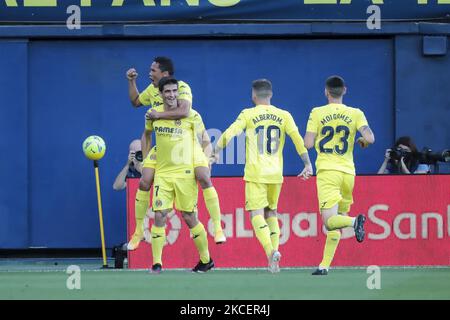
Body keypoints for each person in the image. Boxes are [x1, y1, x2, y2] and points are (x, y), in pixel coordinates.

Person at [212, 79, 313, 273]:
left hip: (256, 173)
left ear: (253, 96)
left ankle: (269, 252)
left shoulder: (248, 114)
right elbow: (297, 140)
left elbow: (231, 132)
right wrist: (307, 163)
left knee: (256, 215)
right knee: (271, 213)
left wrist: (215, 150)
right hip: (276, 174)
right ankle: (274, 259)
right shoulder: (284, 115)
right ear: (271, 95)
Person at [126, 57, 225, 250]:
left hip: (187, 145)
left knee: (204, 176)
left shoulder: (181, 87)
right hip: (163, 147)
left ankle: (218, 227)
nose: (149, 73)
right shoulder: (153, 90)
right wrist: (131, 82)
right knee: (145, 180)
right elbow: (136, 102)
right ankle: (138, 231)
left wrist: (158, 115)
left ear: (165, 74)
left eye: (153, 70)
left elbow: (185, 111)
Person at [304, 75, 375, 276]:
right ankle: (324, 265)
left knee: (329, 221)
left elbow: (308, 144)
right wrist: (362, 141)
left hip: (328, 172)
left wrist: (316, 136)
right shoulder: (356, 113)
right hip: (348, 174)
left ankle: (356, 222)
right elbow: (370, 137)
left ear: (326, 92)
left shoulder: (317, 112)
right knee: (338, 219)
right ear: (344, 90)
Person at [145, 77, 214, 273]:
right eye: (167, 91)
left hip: (185, 174)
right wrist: (146, 160)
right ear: (160, 94)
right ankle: (157, 264)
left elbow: (206, 141)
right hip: (164, 173)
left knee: (189, 217)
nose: (172, 95)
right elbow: (146, 135)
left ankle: (206, 260)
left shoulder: (192, 115)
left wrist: (206, 161)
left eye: (175, 91)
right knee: (159, 215)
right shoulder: (152, 115)